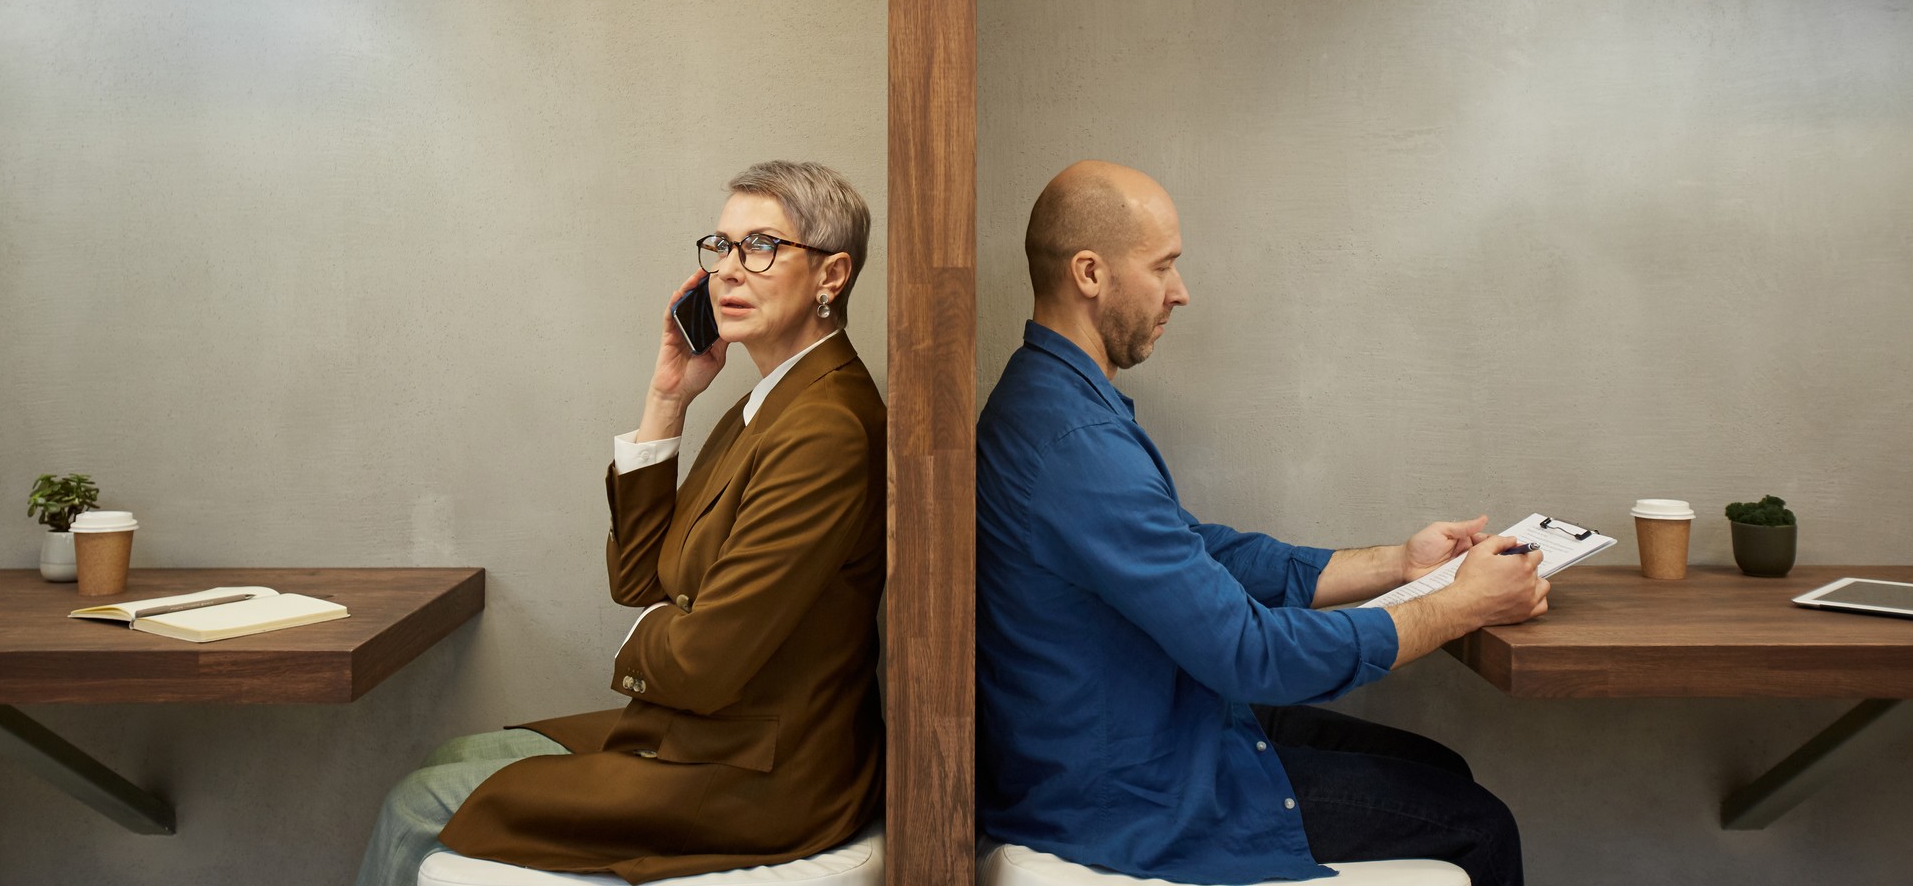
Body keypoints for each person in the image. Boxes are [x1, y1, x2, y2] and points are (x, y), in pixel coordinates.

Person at [976, 160, 1548, 886]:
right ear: (1090, 273)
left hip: (1152, 728)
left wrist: (1398, 565)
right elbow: (1249, 654)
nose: (1180, 293)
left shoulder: (1054, 401)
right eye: (1164, 267)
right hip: (1133, 792)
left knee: (1439, 768)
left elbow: (1193, 552)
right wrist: (1457, 606)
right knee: (1480, 825)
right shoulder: (1072, 444)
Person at [356, 161, 885, 886]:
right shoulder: (769, 403)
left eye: (760, 245)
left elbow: (703, 663)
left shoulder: (827, 427)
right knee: (449, 761)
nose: (729, 271)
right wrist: (668, 398)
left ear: (832, 276)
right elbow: (641, 577)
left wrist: (660, 629)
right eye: (721, 246)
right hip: (702, 737)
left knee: (416, 803)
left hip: (761, 775)